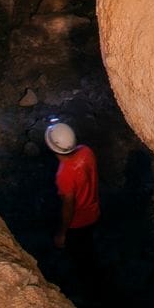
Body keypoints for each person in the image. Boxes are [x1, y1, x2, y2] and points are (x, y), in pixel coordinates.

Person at [46, 120, 100, 286]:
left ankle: (89, 285)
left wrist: (62, 233)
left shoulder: (64, 174)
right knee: (88, 245)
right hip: (94, 211)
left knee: (81, 256)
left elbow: (68, 206)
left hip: (77, 222)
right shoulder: (86, 151)